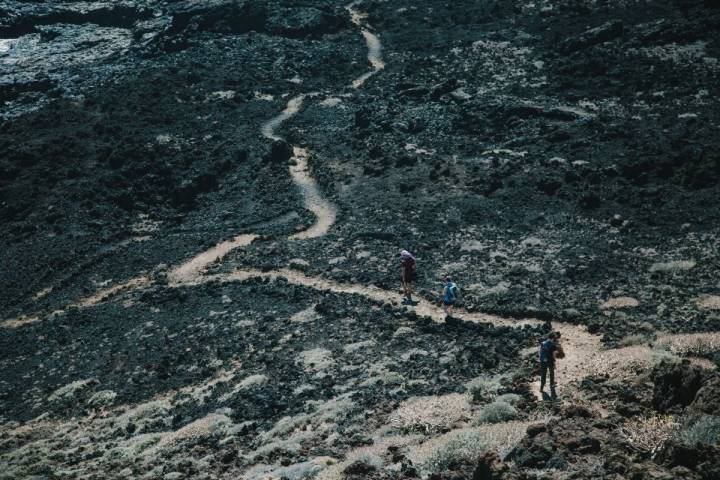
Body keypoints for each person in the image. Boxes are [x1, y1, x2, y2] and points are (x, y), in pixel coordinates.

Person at [539, 331, 564, 399]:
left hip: (543, 361)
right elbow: (553, 354)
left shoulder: (543, 343)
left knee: (543, 374)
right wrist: (554, 361)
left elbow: (540, 352)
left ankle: (541, 388)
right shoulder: (553, 345)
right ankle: (551, 385)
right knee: (551, 373)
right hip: (550, 361)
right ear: (553, 338)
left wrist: (541, 360)